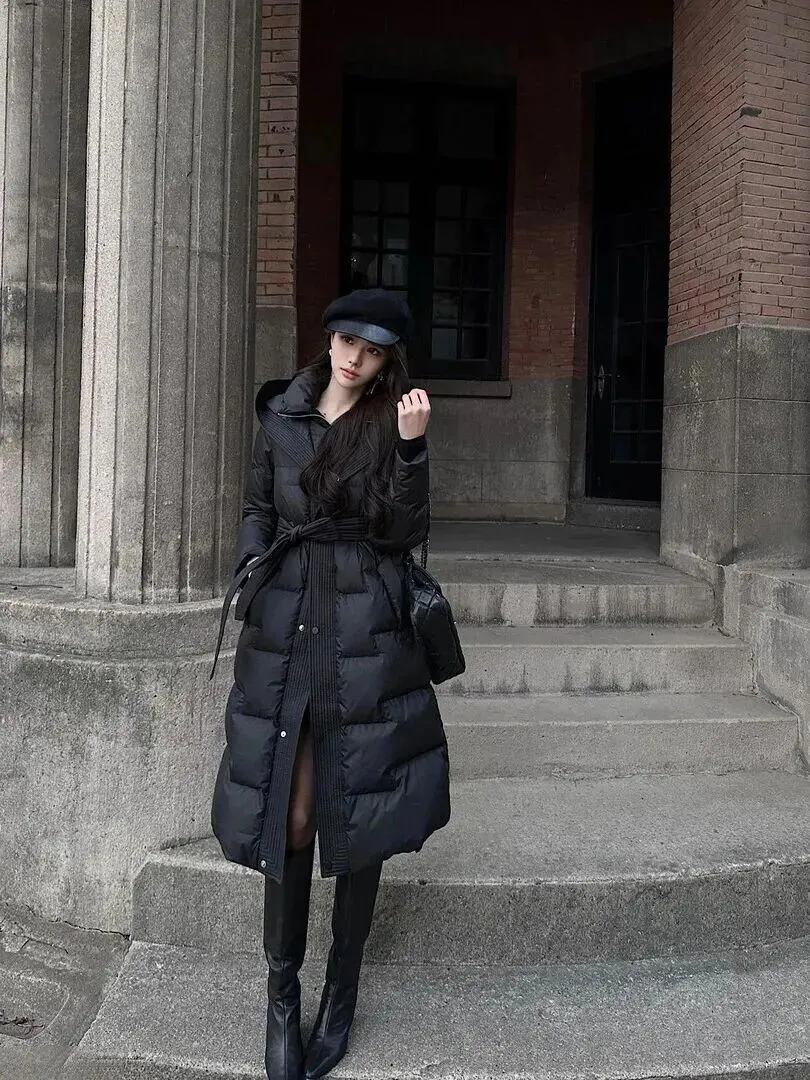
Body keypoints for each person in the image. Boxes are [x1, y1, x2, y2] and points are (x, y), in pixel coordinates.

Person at [211, 288, 451, 1080]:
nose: (355, 358)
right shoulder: (281, 415)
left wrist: (411, 450)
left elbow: (404, 532)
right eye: (349, 341)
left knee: (361, 813)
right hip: (287, 622)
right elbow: (257, 506)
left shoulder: (389, 424)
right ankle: (282, 998)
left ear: (387, 361)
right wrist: (251, 568)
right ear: (331, 338)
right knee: (294, 813)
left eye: (373, 350)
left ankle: (340, 998)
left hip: (363, 627)